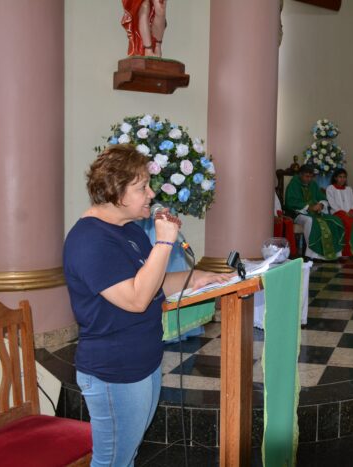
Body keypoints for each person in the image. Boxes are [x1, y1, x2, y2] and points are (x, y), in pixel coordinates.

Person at [63, 144, 234, 466]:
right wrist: (165, 241)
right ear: (116, 192)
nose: (152, 194)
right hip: (114, 370)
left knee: (127, 455)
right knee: (113, 461)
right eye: (142, 187)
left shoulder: (129, 231)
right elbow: (137, 299)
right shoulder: (90, 240)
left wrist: (195, 277)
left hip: (143, 359)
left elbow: (152, 283)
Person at [284, 164, 345, 261]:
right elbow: (290, 202)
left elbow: (322, 198)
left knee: (335, 220)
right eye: (307, 176)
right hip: (297, 214)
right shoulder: (293, 185)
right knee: (310, 220)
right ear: (300, 175)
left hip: (316, 213)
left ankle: (334, 254)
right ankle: (312, 254)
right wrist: (309, 207)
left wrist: (321, 205)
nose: (309, 179)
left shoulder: (313, 184)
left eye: (311, 177)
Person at [325, 168, 353, 257]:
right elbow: (332, 204)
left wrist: (352, 210)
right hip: (338, 213)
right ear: (335, 178)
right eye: (340, 177)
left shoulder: (348, 189)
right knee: (350, 223)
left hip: (350, 213)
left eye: (344, 177)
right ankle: (348, 252)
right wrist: (344, 213)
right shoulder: (330, 188)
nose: (342, 179)